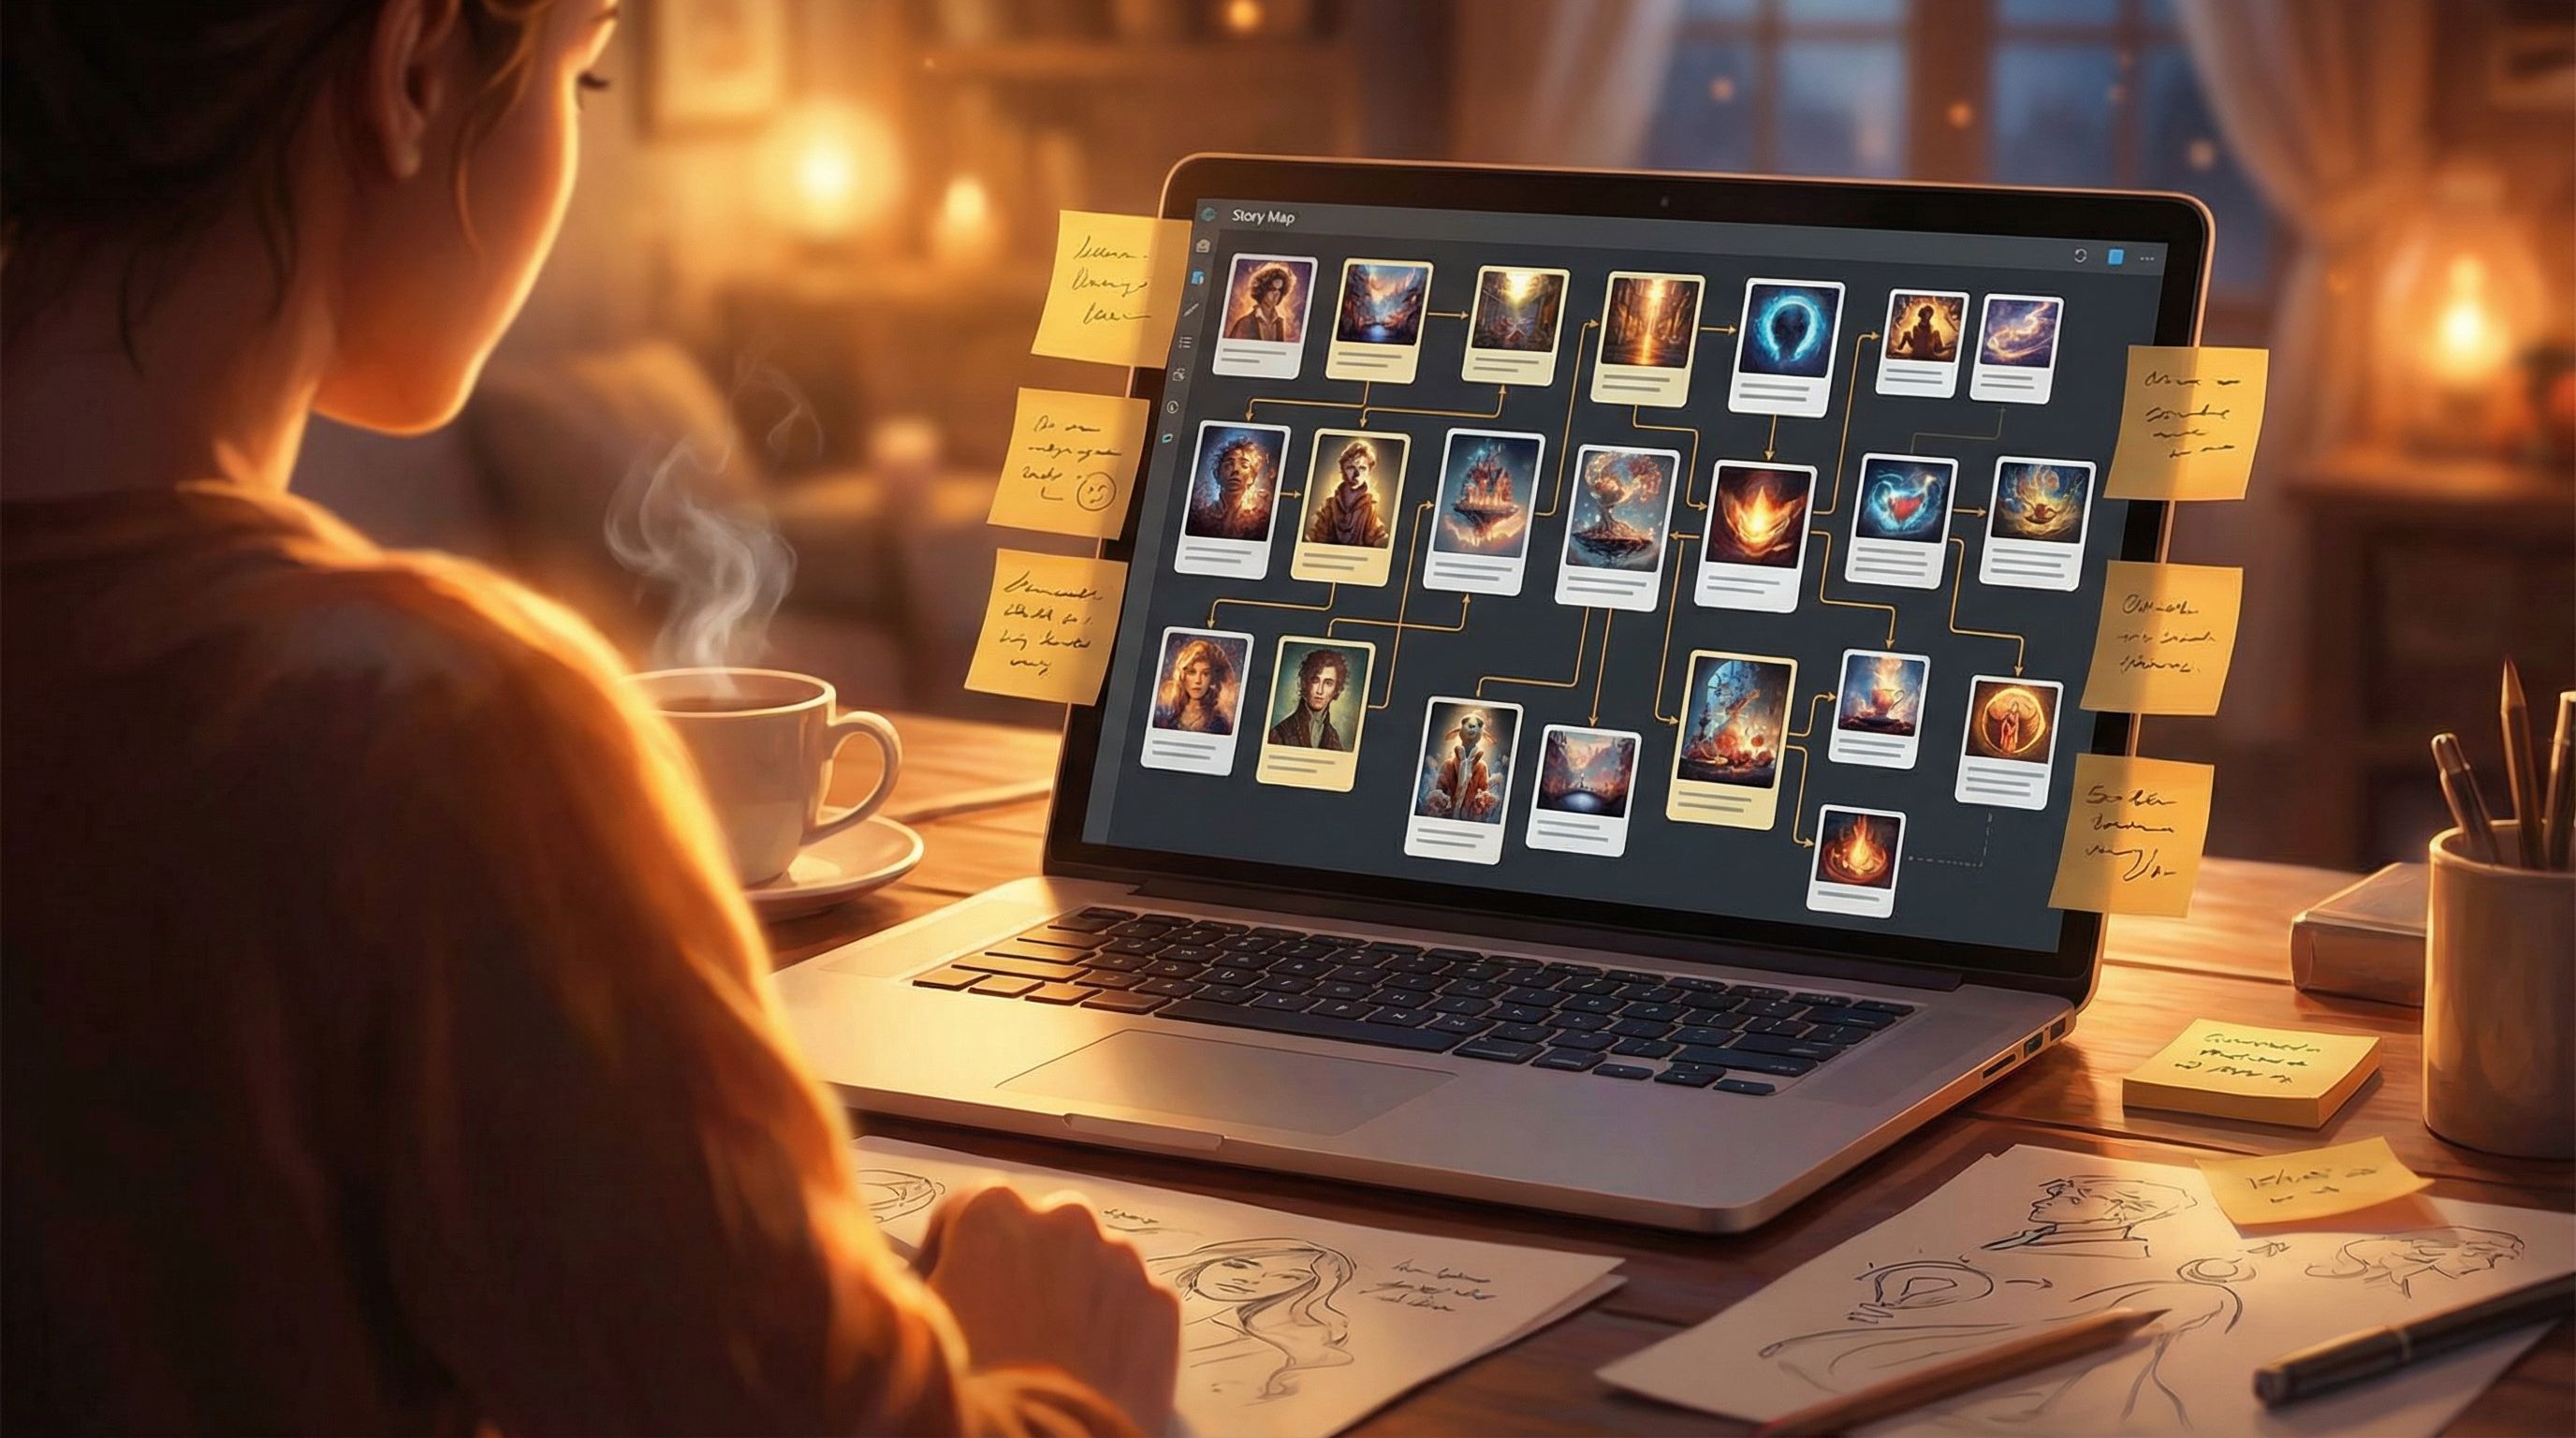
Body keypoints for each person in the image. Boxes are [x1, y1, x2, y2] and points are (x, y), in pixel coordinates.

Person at [0, 3, 1178, 1434]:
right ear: (414, 68)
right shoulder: (433, 732)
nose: (576, 129)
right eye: (584, 71)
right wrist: (1056, 1375)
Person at [1150, 1240, 1354, 1402]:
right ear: (1206, 1262)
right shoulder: (1139, 1293)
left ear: (1305, 1291)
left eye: (1287, 1277)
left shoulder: (1262, 1353)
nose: (1250, 1280)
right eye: (1239, 1265)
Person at [1266, 648, 1351, 750]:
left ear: (1337, 689)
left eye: (1328, 683)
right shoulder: (1280, 733)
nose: (1320, 691)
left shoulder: (1333, 737)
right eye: (1315, 680)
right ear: (1304, 683)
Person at [1151, 638, 1236, 734]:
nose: (1198, 680)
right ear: (1183, 676)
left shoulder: (1218, 723)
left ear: (1212, 679)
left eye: (1205, 674)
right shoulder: (1168, 714)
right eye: (1192, 672)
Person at [1223, 263, 1295, 342]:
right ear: (1262, 291)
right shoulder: (1244, 323)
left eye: (1279, 290)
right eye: (1272, 289)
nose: (1276, 294)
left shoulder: (1279, 323)